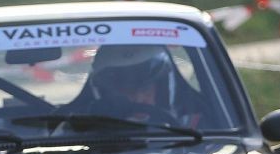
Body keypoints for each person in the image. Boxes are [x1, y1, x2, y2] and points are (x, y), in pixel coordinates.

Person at [69, 45, 199, 124]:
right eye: (126, 90)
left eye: (146, 89)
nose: (138, 99)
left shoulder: (195, 128)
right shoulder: (75, 129)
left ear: (163, 88)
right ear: (105, 92)